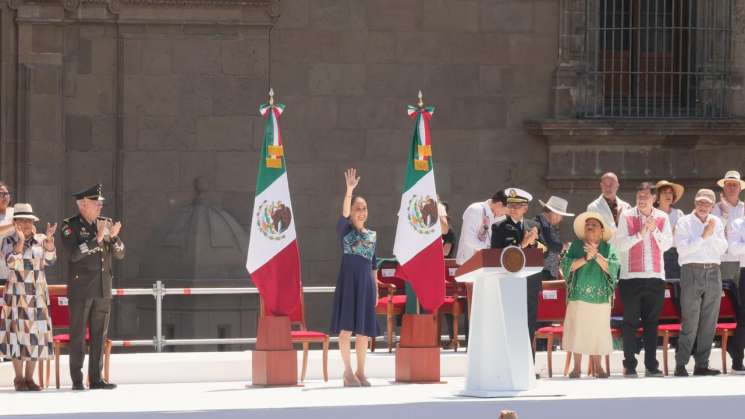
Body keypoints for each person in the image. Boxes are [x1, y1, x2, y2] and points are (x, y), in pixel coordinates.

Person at [60, 184, 124, 390]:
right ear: (83, 205)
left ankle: (96, 379)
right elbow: (74, 255)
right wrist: (96, 240)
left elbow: (120, 253)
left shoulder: (106, 223)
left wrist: (112, 238)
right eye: (97, 203)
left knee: (99, 334)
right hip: (81, 288)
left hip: (103, 287)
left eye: (101, 203)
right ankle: (77, 380)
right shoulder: (70, 226)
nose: (100, 207)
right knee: (78, 336)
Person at [612, 182, 673, 377]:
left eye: (646, 196)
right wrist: (641, 233)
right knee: (629, 323)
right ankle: (629, 365)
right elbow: (620, 245)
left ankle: (651, 365)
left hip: (655, 277)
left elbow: (666, 246)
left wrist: (654, 230)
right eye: (639, 196)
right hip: (631, 277)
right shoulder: (627, 216)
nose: (642, 199)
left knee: (651, 323)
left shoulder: (663, 217)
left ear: (654, 198)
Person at [330, 168, 379, 387]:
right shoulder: (345, 231)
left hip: (366, 286)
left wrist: (376, 291)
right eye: (357, 208)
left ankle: (361, 372)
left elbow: (373, 264)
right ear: (351, 212)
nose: (361, 212)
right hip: (349, 284)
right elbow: (342, 214)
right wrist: (349, 190)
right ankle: (347, 372)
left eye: (364, 208)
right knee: (346, 329)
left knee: (363, 332)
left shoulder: (373, 235)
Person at [0, 203, 57, 391]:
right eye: (21, 220)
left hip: (37, 294)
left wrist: (50, 243)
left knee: (35, 335)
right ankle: (18, 378)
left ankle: (30, 378)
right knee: (16, 335)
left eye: (28, 220)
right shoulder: (7, 241)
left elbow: (50, 260)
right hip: (16, 295)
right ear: (14, 222)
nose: (25, 223)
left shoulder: (40, 239)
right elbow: (11, 264)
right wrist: (21, 241)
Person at [674, 188, 728, 376]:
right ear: (695, 203)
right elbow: (683, 250)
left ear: (713, 206)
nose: (703, 206)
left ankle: (702, 364)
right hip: (691, 271)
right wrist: (704, 235)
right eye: (700, 202)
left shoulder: (717, 223)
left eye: (707, 203)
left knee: (709, 321)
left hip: (713, 271)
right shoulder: (684, 222)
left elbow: (722, 248)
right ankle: (681, 364)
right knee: (690, 320)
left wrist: (710, 234)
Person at [561, 212, 620, 378]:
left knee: (598, 331)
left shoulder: (608, 248)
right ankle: (577, 368)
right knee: (577, 330)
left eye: (594, 224)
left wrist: (597, 255)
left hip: (601, 298)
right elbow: (567, 267)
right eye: (588, 224)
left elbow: (613, 269)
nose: (590, 226)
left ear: (602, 230)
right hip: (578, 296)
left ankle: (598, 367)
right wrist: (586, 257)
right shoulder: (575, 246)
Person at [491, 188, 542, 348]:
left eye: (517, 206)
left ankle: (529, 365)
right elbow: (498, 256)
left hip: (530, 281)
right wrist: (523, 244)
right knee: (509, 320)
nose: (513, 209)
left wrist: (533, 242)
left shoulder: (534, 226)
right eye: (510, 206)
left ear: (525, 208)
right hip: (509, 282)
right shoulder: (499, 227)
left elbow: (546, 252)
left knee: (529, 322)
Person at [455, 190, 507, 265]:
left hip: (490, 264)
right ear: (499, 204)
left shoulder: (501, 217)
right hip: (469, 264)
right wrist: (490, 249)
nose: (505, 213)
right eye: (506, 210)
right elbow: (469, 239)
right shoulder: (475, 209)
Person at [654, 180, 685, 280]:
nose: (668, 195)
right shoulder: (653, 214)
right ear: (658, 197)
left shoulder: (679, 213)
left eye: (670, 192)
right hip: (658, 255)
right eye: (664, 192)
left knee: (676, 286)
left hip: (677, 255)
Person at [587, 172, 631, 237]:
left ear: (617, 186)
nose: (608, 187)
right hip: (604, 246)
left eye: (611, 184)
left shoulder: (626, 206)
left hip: (623, 246)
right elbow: (594, 233)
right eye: (605, 184)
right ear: (601, 185)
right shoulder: (592, 208)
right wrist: (616, 223)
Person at [0, 182, 15, 286]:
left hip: (14, 271)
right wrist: (14, 225)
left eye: (6, 193)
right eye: (1, 194)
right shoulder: (16, 220)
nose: (5, 196)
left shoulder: (16, 212)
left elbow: (31, 229)